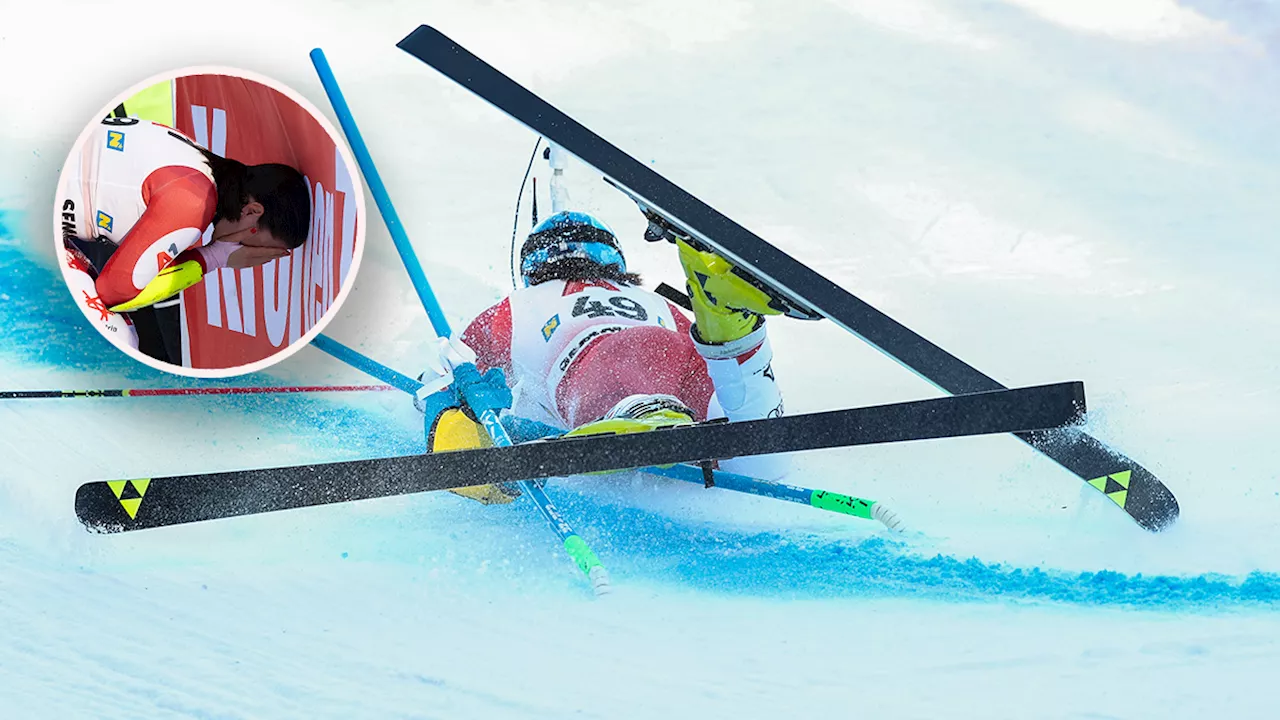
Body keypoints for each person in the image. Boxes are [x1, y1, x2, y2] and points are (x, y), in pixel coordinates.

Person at [415, 210, 793, 504]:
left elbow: (446, 373)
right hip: (681, 359)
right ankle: (740, 337)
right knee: (756, 452)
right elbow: (694, 353)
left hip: (600, 366)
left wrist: (456, 405)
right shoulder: (657, 300)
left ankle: (647, 412)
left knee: (615, 368)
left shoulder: (518, 304)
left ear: (533, 265)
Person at [59, 115, 310, 363]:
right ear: (252, 211)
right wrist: (214, 257)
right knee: (122, 339)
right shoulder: (195, 203)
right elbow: (113, 292)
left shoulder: (199, 159)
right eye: (260, 249)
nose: (249, 255)